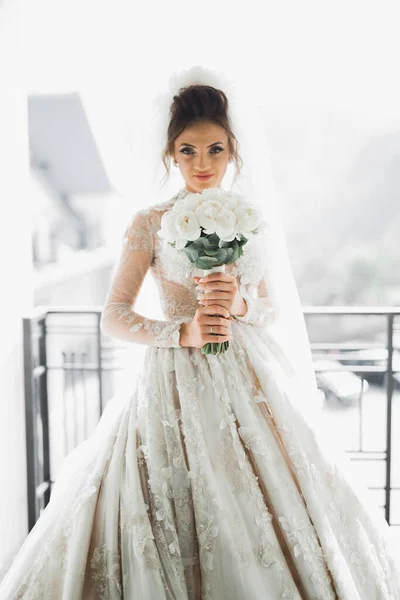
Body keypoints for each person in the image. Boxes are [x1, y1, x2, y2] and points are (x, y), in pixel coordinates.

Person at [1, 67, 400, 600]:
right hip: (171, 380)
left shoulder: (251, 217)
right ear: (170, 154)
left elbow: (269, 308)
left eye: (214, 149)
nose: (203, 163)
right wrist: (180, 332)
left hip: (250, 375)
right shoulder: (149, 222)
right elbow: (114, 314)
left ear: (233, 150)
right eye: (188, 150)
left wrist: (240, 302)